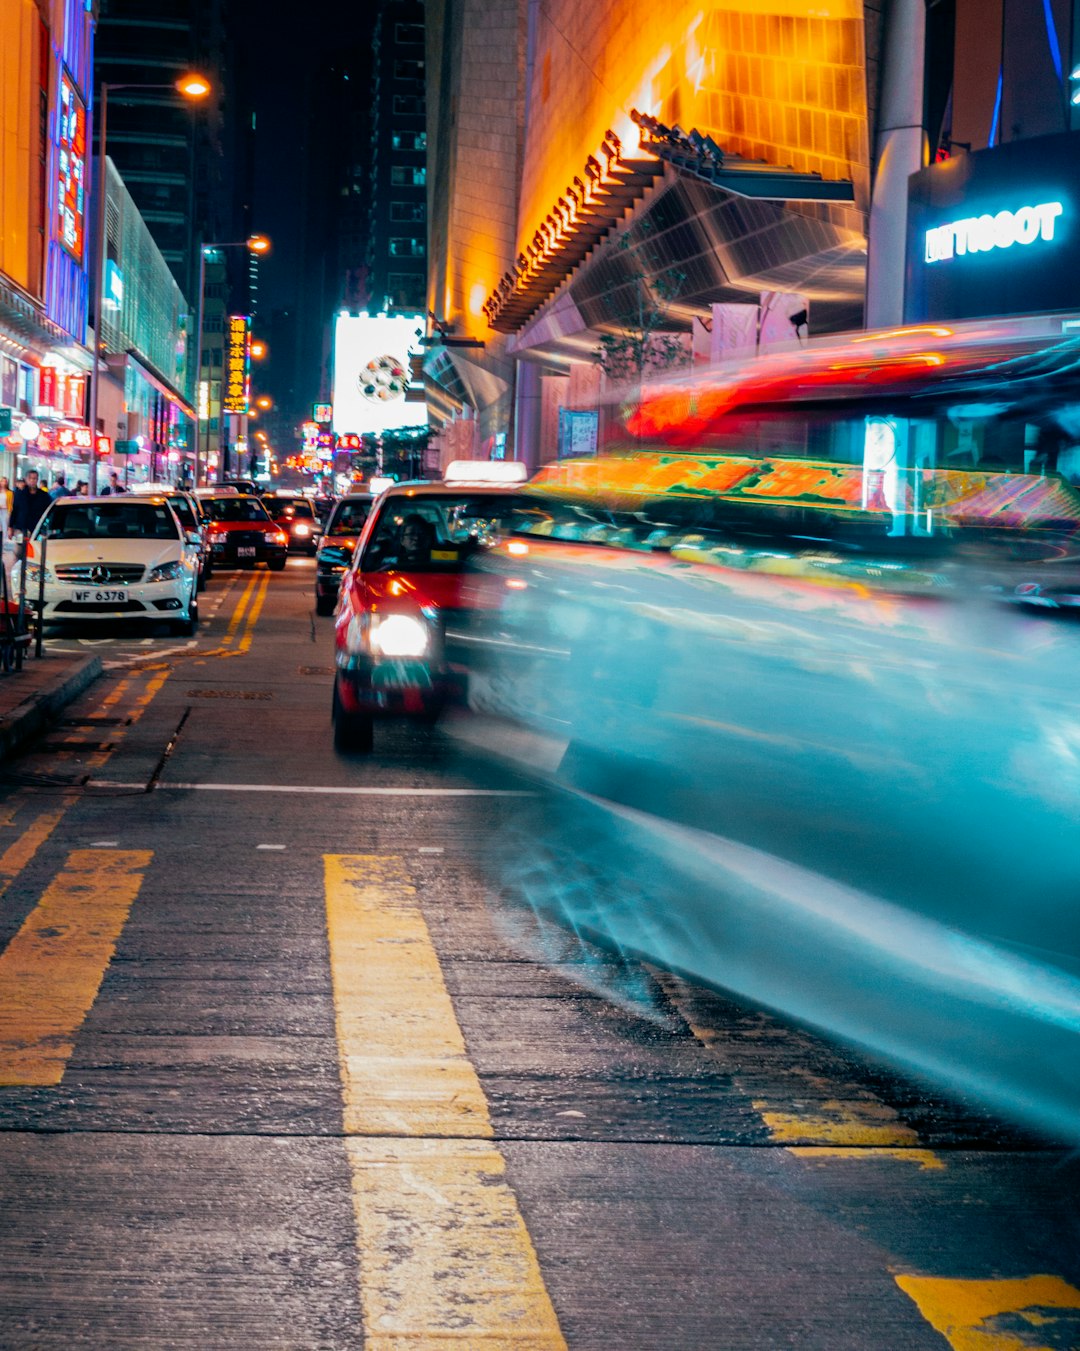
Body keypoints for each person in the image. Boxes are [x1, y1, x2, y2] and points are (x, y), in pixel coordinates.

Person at [10, 470, 51, 540]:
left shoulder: (44, 496)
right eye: (30, 478)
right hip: (21, 527)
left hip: (37, 528)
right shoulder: (19, 494)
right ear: (26, 479)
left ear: (37, 480)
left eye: (34, 478)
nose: (32, 480)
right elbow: (14, 510)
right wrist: (10, 527)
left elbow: (48, 511)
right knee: (20, 549)